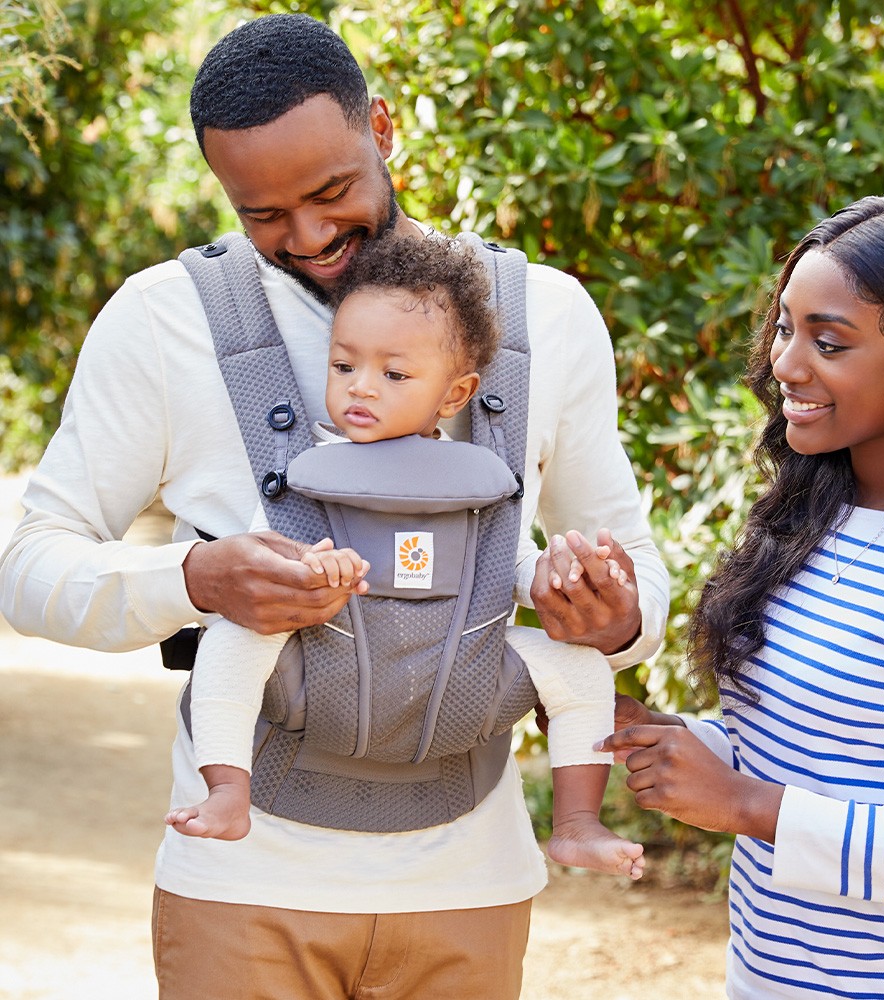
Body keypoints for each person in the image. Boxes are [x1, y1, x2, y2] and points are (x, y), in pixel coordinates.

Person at [0, 13, 669, 999]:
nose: (306, 238)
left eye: (330, 192)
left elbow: (635, 573)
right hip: (242, 889)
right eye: (261, 214)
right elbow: (28, 567)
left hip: (469, 887)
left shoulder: (545, 318)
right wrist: (193, 577)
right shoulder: (160, 320)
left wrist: (616, 615)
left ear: (384, 129)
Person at [599, 195, 884, 998]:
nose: (785, 362)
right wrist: (667, 741)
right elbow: (812, 749)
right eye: (785, 327)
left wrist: (746, 804)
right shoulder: (814, 514)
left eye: (829, 341)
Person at [165, 232, 645, 881]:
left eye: (393, 374)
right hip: (317, 681)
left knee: (582, 668)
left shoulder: (480, 475)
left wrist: (556, 579)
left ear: (455, 395)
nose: (361, 389)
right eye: (344, 367)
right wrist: (310, 571)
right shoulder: (311, 468)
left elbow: (504, 565)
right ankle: (227, 788)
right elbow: (266, 555)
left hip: (465, 683)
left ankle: (578, 822)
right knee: (232, 640)